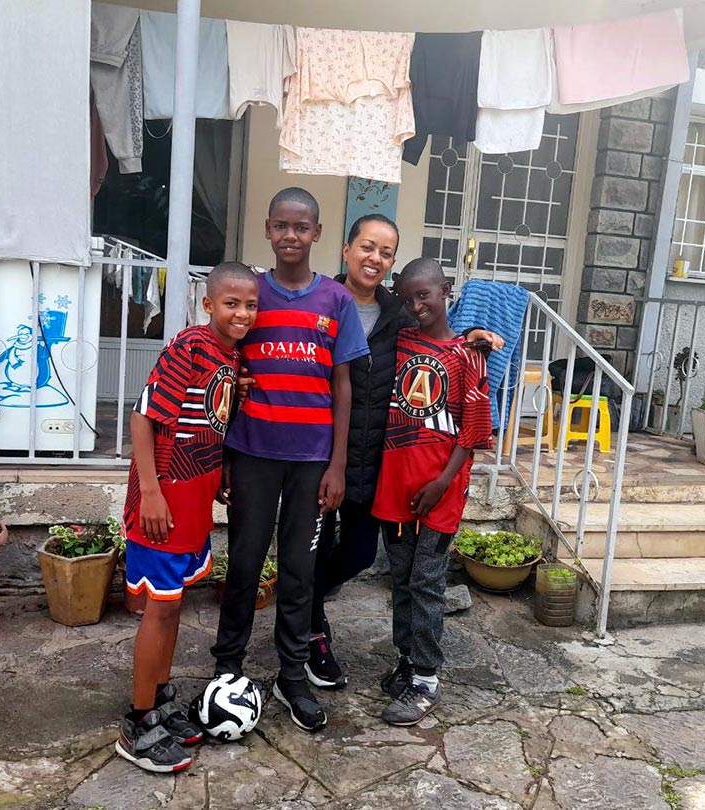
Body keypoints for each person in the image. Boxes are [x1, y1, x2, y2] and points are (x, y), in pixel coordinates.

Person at [306, 215, 504, 690]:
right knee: (332, 564)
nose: (374, 257)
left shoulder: (404, 320)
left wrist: (476, 338)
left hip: (396, 474)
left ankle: (423, 670)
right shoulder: (325, 302)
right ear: (346, 248)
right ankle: (318, 634)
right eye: (367, 247)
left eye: (386, 251)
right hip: (326, 458)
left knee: (376, 564)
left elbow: (468, 411)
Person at [211, 187, 370, 733]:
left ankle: (292, 675)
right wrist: (226, 456)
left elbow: (344, 386)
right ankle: (226, 669)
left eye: (301, 228)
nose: (291, 236)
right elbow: (224, 362)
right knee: (246, 567)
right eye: (281, 226)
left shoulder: (337, 301)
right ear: (267, 229)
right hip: (253, 453)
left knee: (300, 573)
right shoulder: (249, 295)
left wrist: (337, 465)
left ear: (318, 234)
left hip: (312, 461)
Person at [118, 262, 259, 773]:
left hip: (195, 502)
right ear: (208, 304)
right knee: (158, 611)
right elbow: (143, 417)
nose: (241, 313)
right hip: (164, 507)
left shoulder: (230, 356)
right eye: (231, 303)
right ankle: (137, 724)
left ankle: (158, 699)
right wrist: (152, 493)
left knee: (172, 609)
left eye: (250, 305)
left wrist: (217, 472)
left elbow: (208, 421)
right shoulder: (189, 347)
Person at [370, 257, 493, 726]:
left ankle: (426, 678)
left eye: (425, 295)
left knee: (426, 582)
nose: (416, 305)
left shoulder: (467, 356)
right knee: (400, 581)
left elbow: (475, 430)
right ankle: (406, 659)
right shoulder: (399, 342)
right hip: (395, 489)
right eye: (408, 297)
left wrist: (443, 481)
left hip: (441, 492)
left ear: (446, 291)